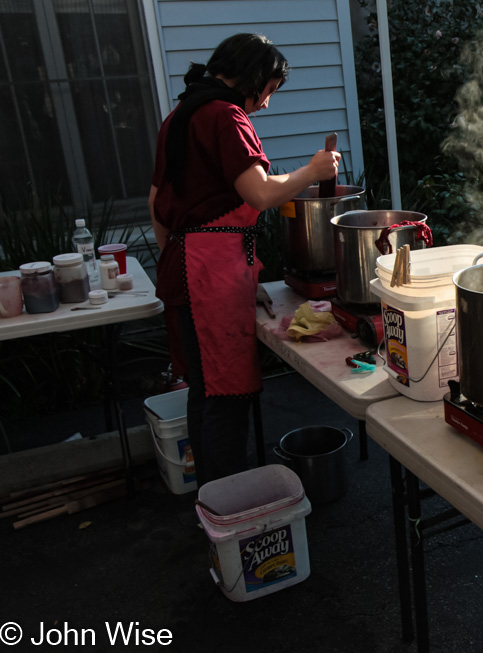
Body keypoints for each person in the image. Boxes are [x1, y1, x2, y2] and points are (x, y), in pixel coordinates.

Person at [148, 33, 340, 486]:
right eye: (269, 89)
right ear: (252, 77)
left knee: (204, 392)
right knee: (224, 395)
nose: (267, 103)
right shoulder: (224, 115)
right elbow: (260, 192)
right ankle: (231, 505)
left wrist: (185, 259)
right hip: (207, 272)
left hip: (186, 263)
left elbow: (156, 203)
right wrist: (313, 170)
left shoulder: (179, 115)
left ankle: (213, 501)